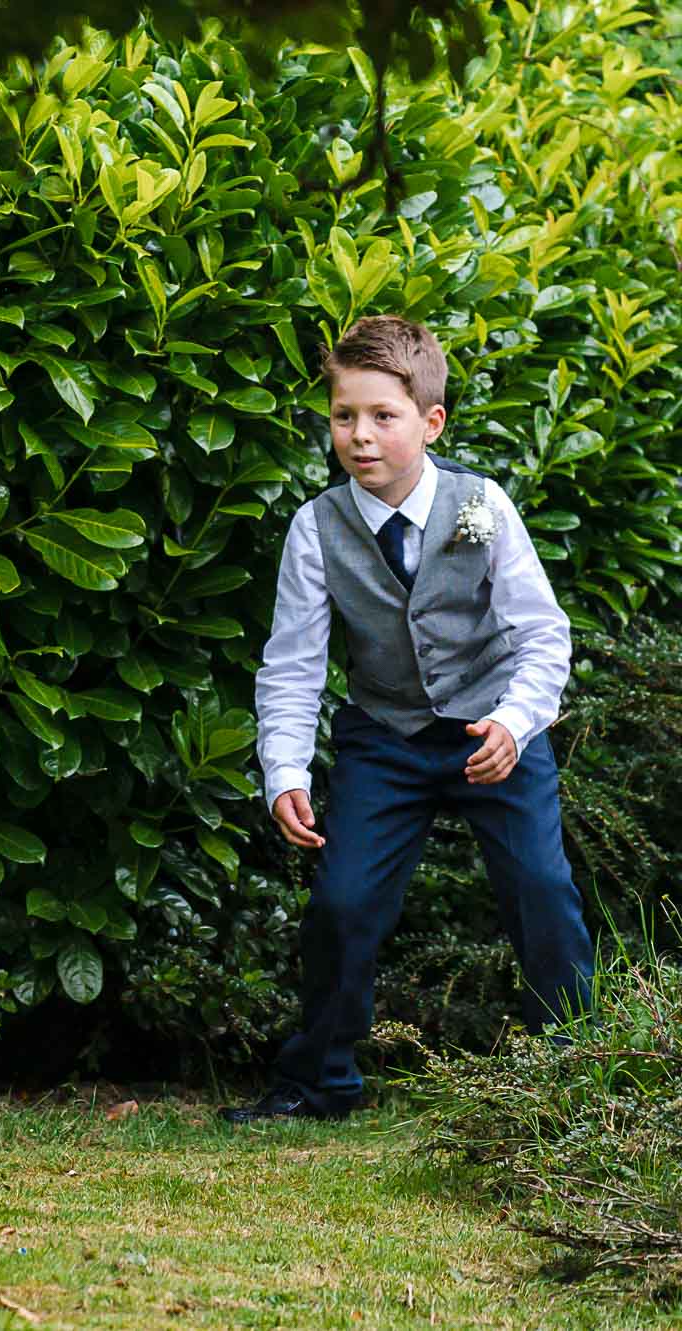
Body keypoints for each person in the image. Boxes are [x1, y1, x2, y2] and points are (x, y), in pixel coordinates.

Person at [223, 314, 593, 1124]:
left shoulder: (483, 505)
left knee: (541, 887)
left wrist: (515, 722)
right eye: (343, 415)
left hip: (491, 731)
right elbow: (292, 663)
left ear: (430, 423)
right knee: (343, 903)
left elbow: (542, 635)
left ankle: (576, 1078)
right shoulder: (316, 528)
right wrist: (284, 769)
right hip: (384, 738)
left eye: (382, 416)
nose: (359, 435)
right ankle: (319, 1079)